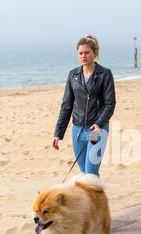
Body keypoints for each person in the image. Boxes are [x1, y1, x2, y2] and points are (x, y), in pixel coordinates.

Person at [53, 35, 116, 176]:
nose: (83, 56)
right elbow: (66, 106)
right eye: (80, 53)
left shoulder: (105, 74)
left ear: (95, 53)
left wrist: (99, 123)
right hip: (78, 129)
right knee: (83, 172)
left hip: (97, 130)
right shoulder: (73, 75)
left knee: (91, 172)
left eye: (87, 52)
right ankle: (92, 198)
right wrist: (58, 133)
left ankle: (95, 198)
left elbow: (110, 104)